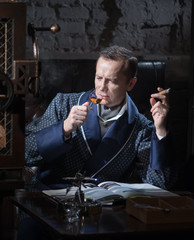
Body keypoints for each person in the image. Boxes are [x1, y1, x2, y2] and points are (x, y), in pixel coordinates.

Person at [17, 45, 178, 240]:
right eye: (99, 78)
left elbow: (160, 185)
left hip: (102, 214)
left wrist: (160, 129)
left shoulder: (141, 127)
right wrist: (64, 128)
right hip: (48, 204)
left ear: (131, 84)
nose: (101, 87)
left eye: (112, 81)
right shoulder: (64, 104)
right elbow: (25, 153)